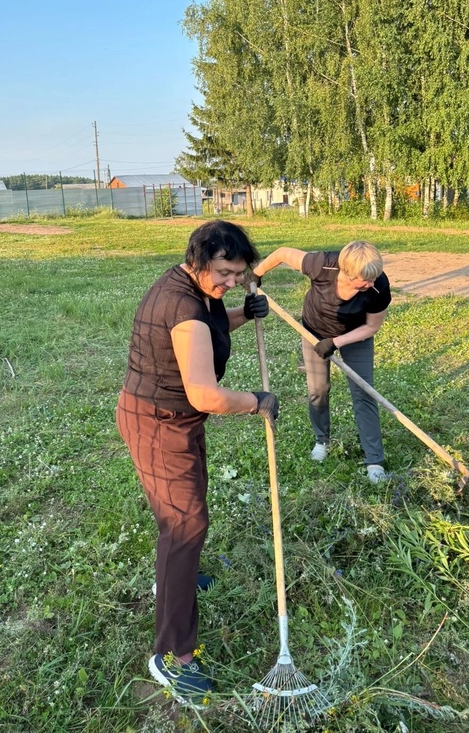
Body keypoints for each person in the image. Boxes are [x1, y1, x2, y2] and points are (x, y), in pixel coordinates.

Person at [115, 220, 278, 706]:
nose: (232, 282)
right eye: (226, 273)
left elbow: (206, 331)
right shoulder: (182, 304)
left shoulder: (194, 288)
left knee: (186, 516)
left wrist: (242, 315)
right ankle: (170, 654)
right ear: (201, 259)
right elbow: (205, 394)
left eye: (239, 275)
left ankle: (180, 577)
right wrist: (257, 400)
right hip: (158, 422)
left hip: (173, 420)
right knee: (184, 523)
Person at [253, 241, 390, 483]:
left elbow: (372, 326)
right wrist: (256, 273)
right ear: (346, 271)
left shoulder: (378, 285)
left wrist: (335, 342)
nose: (370, 285)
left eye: (373, 279)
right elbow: (284, 253)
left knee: (364, 393)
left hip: (354, 335)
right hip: (313, 331)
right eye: (364, 280)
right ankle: (321, 441)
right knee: (318, 390)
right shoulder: (322, 265)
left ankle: (374, 460)